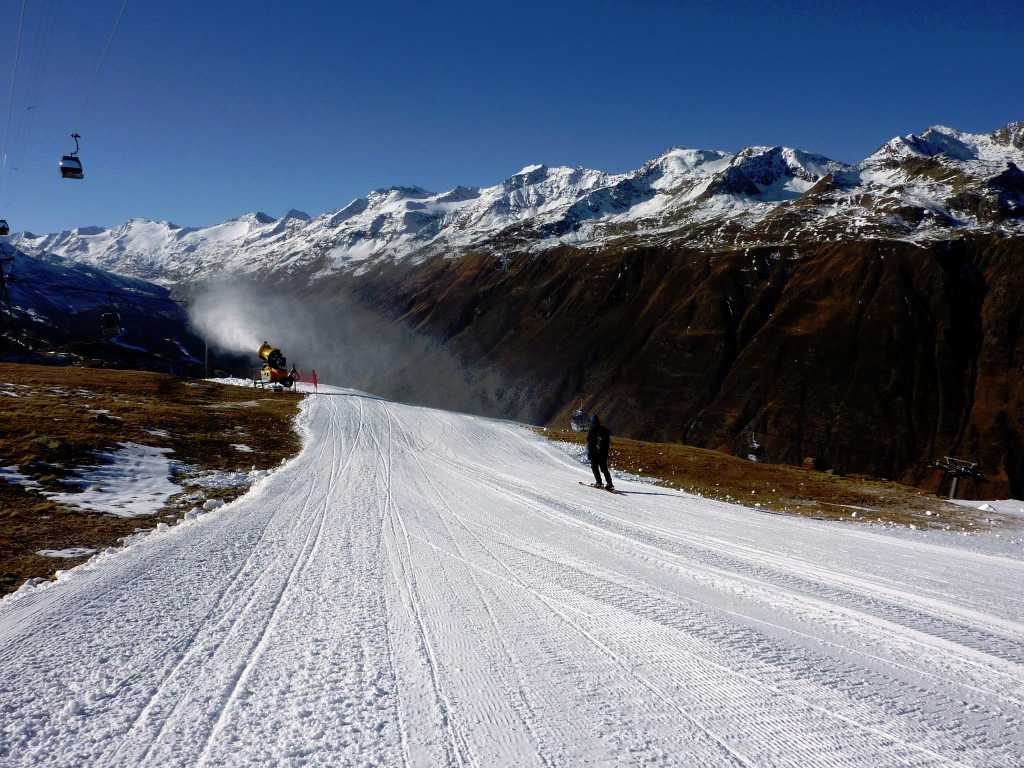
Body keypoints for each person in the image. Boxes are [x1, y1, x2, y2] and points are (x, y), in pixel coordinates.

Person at [587, 414, 613, 490]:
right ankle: (609, 483)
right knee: (604, 468)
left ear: (592, 421)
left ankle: (599, 482)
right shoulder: (604, 429)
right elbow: (608, 442)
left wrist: (589, 453)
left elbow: (590, 443)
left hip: (594, 453)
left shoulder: (591, 430)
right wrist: (605, 452)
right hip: (603, 452)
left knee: (594, 467)